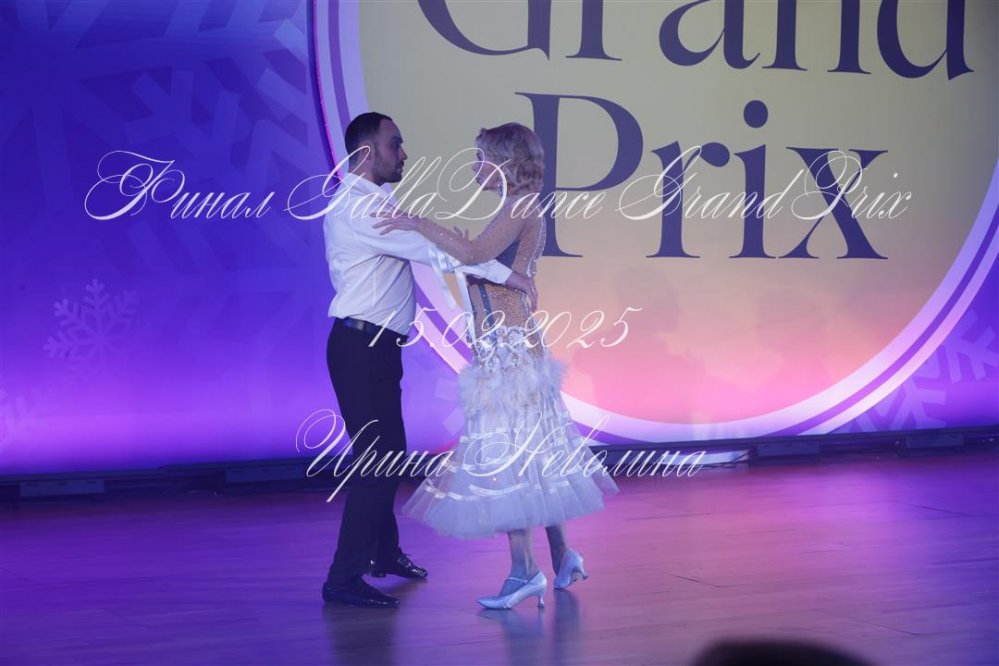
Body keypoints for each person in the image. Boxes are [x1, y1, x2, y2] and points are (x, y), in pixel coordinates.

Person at [374, 122, 617, 609]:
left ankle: (524, 571)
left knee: (511, 455)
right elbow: (479, 263)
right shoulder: (517, 206)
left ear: (505, 163)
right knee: (531, 452)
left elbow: (473, 254)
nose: (474, 167)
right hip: (507, 343)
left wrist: (416, 221)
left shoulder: (520, 207)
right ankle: (563, 555)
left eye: (481, 158)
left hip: (508, 348)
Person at [320, 112, 537, 609]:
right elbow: (438, 254)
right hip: (360, 348)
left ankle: (383, 553)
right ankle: (343, 577)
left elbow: (431, 248)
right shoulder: (361, 208)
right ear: (367, 152)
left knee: (385, 456)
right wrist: (510, 276)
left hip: (372, 347)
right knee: (378, 462)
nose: (404, 154)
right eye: (395, 144)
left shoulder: (376, 200)